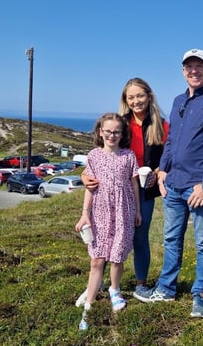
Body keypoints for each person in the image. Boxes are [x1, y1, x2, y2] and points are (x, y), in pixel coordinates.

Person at [133, 48, 203, 319]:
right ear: (183, 71)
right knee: (171, 238)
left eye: (199, 66)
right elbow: (172, 140)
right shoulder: (178, 101)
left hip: (198, 186)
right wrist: (162, 170)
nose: (194, 71)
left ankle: (200, 295)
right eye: (189, 67)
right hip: (173, 184)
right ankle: (166, 288)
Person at [78, 78, 169, 298]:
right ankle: (99, 283)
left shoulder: (162, 125)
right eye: (131, 97)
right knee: (104, 235)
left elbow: (169, 156)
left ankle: (140, 284)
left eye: (140, 95)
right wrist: (83, 175)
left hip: (142, 190)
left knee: (139, 236)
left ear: (149, 96)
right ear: (125, 100)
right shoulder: (121, 124)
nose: (136, 101)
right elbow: (100, 156)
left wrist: (157, 172)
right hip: (111, 193)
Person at [74, 112, 141, 331]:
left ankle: (114, 289)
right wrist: (85, 213)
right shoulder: (93, 156)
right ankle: (90, 304)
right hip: (99, 211)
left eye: (116, 132)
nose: (112, 135)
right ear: (100, 132)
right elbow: (89, 187)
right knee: (97, 259)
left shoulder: (129, 156)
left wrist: (138, 211)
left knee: (117, 256)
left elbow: (134, 186)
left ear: (122, 134)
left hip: (124, 210)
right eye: (108, 131)